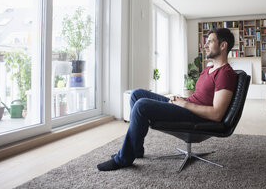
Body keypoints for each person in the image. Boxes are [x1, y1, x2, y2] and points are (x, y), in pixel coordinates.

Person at [97, 28, 238, 171]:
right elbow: (200, 96)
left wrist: (185, 104)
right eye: (206, 42)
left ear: (223, 45)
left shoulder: (225, 74)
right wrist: (182, 99)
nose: (205, 45)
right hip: (188, 106)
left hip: (196, 116)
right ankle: (136, 149)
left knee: (141, 105)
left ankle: (124, 158)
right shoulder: (208, 69)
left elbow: (217, 114)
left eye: (210, 41)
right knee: (137, 94)